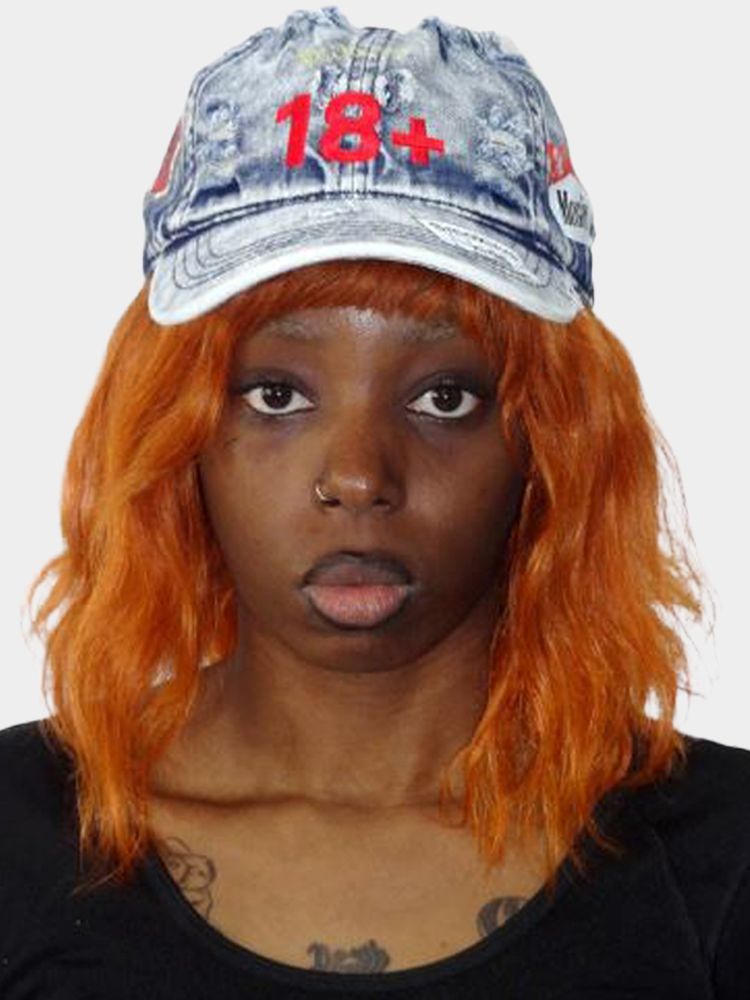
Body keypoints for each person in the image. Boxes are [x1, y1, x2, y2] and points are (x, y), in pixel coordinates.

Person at [1, 6, 748, 997]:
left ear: (553, 442)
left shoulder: (723, 861)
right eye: (277, 395)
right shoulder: (19, 840)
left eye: (446, 397)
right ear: (175, 433)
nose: (358, 477)